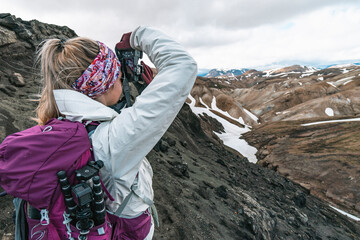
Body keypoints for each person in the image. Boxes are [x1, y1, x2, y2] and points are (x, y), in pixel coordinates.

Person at [35, 26, 197, 239]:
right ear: (104, 84)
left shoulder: (61, 123)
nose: (123, 79)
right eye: (118, 75)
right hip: (128, 229)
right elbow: (183, 65)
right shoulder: (113, 140)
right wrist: (139, 36)